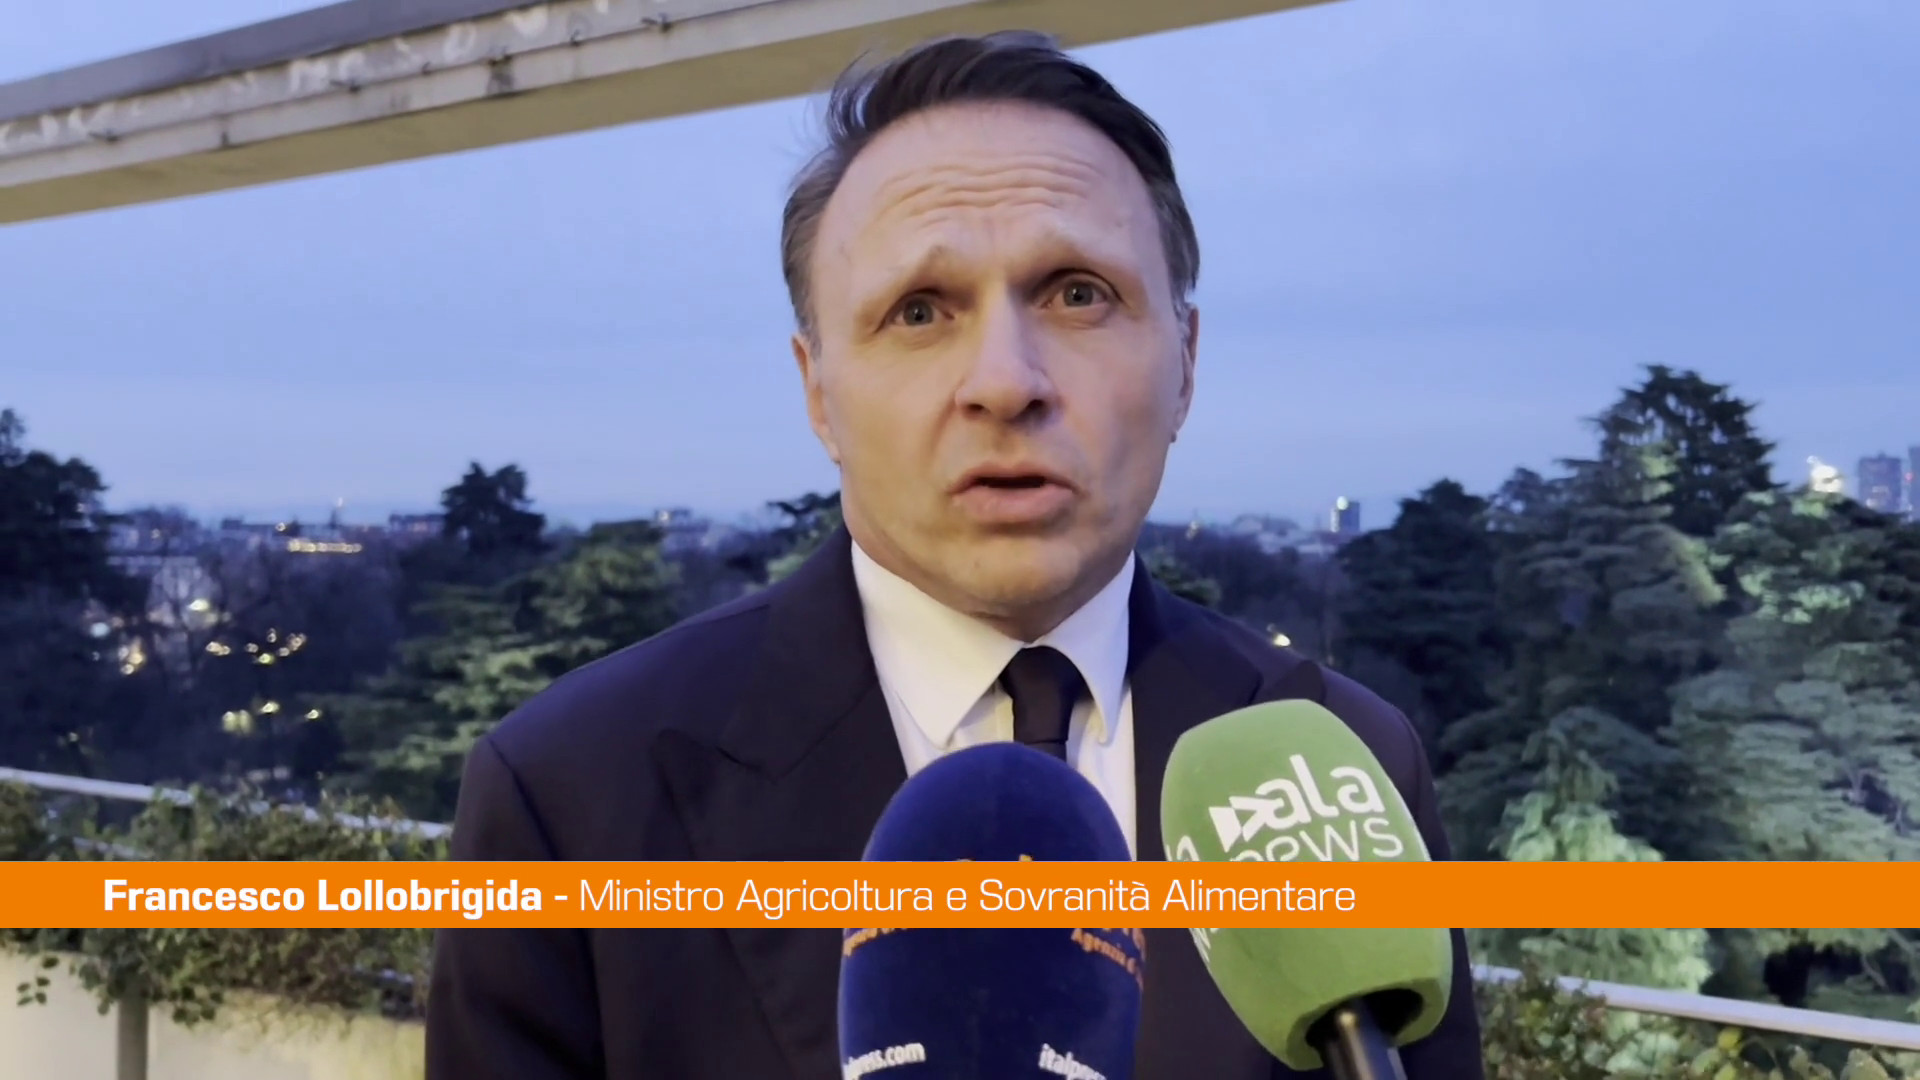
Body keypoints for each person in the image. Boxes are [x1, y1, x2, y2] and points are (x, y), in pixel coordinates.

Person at [426, 29, 1486, 1080]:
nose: (1005, 382)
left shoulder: (1346, 763)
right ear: (818, 392)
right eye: (920, 311)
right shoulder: (571, 797)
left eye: (1078, 293)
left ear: (1188, 362)